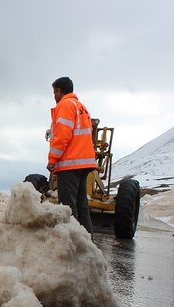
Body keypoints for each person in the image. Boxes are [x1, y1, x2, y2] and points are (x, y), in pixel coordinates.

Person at [46, 76, 97, 234]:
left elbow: (62, 136)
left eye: (54, 92)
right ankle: (88, 245)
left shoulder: (65, 105)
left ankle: (74, 245)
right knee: (82, 206)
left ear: (60, 91)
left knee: (67, 207)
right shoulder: (82, 107)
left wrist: (52, 160)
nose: (54, 96)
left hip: (70, 164)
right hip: (83, 164)